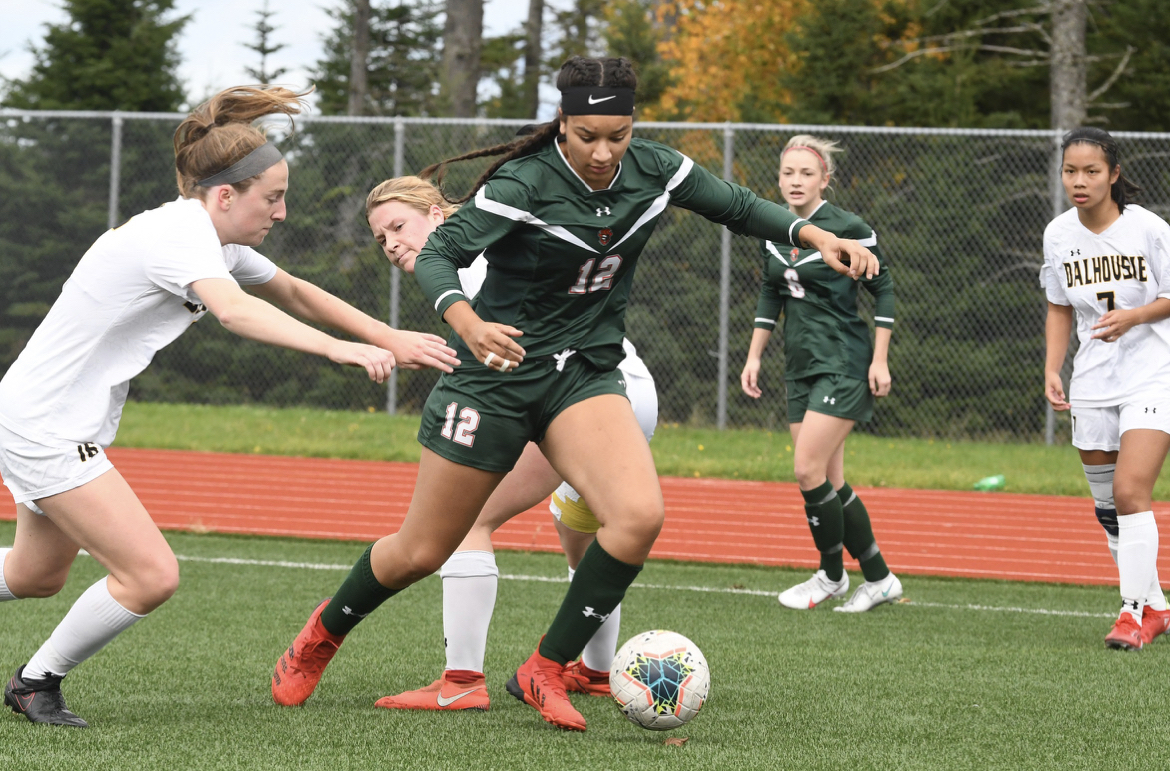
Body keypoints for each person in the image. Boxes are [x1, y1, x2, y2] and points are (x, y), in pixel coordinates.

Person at [271, 56, 878, 732]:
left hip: (582, 372)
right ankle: (322, 634)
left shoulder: (658, 169)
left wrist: (814, 233)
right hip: (494, 380)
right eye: (587, 134)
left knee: (639, 517)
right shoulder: (523, 182)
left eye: (617, 134)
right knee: (421, 550)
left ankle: (546, 665)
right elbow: (441, 253)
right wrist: (465, 319)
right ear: (562, 123)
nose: (603, 150)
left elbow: (737, 206)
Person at [0, 85, 459, 727]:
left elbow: (295, 290)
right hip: (43, 426)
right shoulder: (175, 234)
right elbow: (237, 311)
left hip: (43, 417)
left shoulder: (212, 243)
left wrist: (389, 338)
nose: (283, 211)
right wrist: (339, 351)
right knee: (150, 574)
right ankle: (34, 683)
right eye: (271, 197)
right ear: (224, 196)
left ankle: (33, 678)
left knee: (35, 575)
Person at [362, 175, 659, 710]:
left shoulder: (473, 264)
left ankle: (461, 683)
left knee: (468, 520)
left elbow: (515, 372)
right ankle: (594, 671)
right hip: (631, 391)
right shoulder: (497, 246)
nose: (391, 245)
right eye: (381, 239)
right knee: (584, 535)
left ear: (437, 214)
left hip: (588, 396)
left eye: (398, 226)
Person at [740, 135, 900, 613]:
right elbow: (772, 293)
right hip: (801, 366)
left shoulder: (848, 228)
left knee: (807, 470)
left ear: (824, 180)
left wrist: (879, 358)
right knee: (828, 478)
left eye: (806, 173)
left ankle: (831, 575)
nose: (795, 181)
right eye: (788, 172)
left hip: (844, 363)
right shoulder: (776, 229)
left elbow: (884, 288)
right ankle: (879, 577)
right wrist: (753, 356)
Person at [1042, 126, 1170, 651]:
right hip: (1093, 378)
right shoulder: (1057, 234)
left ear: (1113, 175)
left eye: (1091, 171)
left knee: (1129, 492)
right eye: (1071, 170)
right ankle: (1158, 606)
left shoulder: (1149, 229)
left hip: (1153, 370)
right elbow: (1058, 304)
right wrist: (1053, 366)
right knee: (1106, 508)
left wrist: (1135, 316)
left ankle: (1131, 613)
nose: (1079, 180)